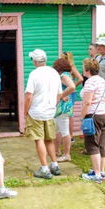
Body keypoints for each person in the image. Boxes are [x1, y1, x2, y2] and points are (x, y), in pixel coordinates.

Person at [24, 49, 65, 179]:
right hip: (49, 111)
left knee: (39, 140)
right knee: (49, 139)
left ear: (35, 61)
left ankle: (44, 168)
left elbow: (29, 96)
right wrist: (53, 106)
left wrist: (25, 111)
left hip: (36, 112)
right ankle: (54, 164)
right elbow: (59, 94)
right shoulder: (54, 73)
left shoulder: (34, 74)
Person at [80, 59, 105, 183]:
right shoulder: (102, 80)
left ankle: (96, 174)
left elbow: (87, 102)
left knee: (92, 144)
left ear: (87, 69)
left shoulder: (90, 82)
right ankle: (101, 171)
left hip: (94, 114)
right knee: (102, 143)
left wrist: (82, 117)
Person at [52, 59, 76, 162]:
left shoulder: (63, 75)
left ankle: (67, 154)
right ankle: (56, 151)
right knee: (57, 129)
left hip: (63, 107)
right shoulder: (67, 74)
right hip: (62, 107)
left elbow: (72, 86)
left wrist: (62, 95)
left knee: (65, 131)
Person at [61, 51, 83, 142]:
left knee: (69, 114)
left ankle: (70, 136)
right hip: (66, 92)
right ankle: (66, 136)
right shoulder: (65, 68)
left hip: (70, 93)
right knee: (65, 113)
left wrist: (73, 86)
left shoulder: (71, 67)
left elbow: (81, 78)